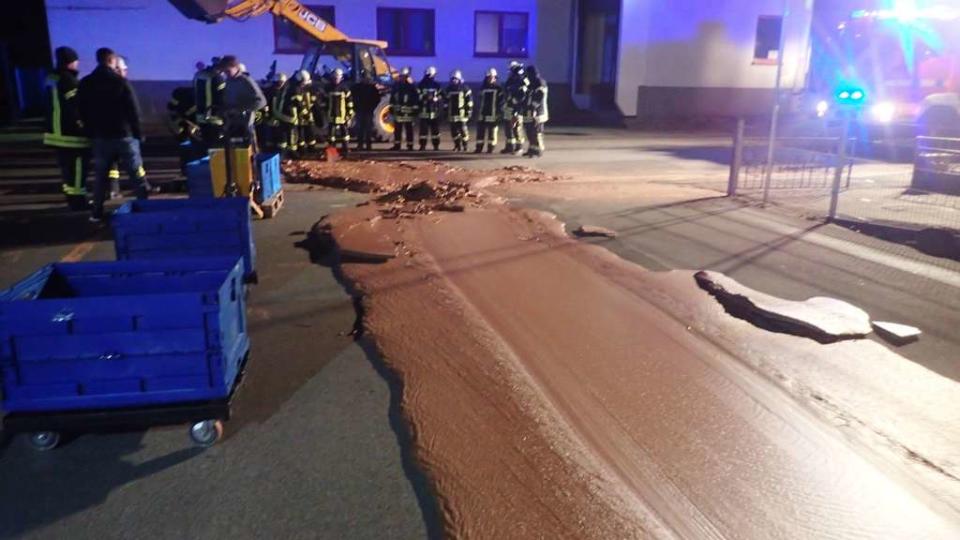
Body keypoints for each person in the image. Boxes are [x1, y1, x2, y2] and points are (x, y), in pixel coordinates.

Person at [78, 47, 151, 222]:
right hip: (124, 136)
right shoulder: (121, 83)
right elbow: (133, 111)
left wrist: (90, 132)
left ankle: (96, 212)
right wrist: (139, 134)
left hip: (100, 137)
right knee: (136, 173)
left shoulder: (86, 83)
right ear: (112, 61)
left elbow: (81, 110)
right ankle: (146, 208)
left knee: (101, 176)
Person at [43, 46, 90, 210]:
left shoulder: (51, 78)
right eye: (76, 61)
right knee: (78, 169)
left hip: (55, 134)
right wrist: (85, 126)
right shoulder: (69, 80)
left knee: (66, 170)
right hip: (72, 135)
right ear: (71, 62)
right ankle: (79, 202)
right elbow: (77, 107)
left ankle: (71, 199)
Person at [220, 55, 267, 147]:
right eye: (225, 72)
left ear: (236, 68)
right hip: (232, 122)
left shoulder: (246, 81)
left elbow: (261, 101)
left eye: (228, 71)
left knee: (248, 148)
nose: (226, 74)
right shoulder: (229, 81)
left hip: (245, 123)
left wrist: (241, 109)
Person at [272, 70, 309, 157]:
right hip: (289, 114)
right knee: (292, 132)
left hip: (282, 113)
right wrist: (306, 114)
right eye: (303, 82)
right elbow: (298, 103)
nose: (304, 84)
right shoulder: (295, 88)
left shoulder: (289, 85)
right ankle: (292, 152)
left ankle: (282, 152)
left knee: (283, 134)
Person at [193, 56, 227, 149]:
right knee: (215, 147)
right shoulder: (218, 78)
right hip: (214, 118)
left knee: (205, 144)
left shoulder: (199, 75)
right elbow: (222, 98)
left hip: (200, 115)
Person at [323, 68, 354, 154]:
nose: (336, 80)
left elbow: (349, 103)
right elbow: (325, 102)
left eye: (337, 78)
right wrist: (324, 113)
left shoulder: (345, 89)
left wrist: (349, 116)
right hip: (331, 116)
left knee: (345, 135)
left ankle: (346, 150)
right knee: (331, 136)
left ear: (341, 78)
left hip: (343, 116)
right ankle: (332, 152)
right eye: (335, 78)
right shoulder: (328, 88)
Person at [502, 61, 529, 156]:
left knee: (517, 127)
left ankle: (519, 147)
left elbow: (524, 94)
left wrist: (516, 102)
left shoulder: (523, 79)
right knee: (507, 126)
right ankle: (509, 146)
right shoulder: (511, 79)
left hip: (518, 108)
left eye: (511, 70)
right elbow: (506, 90)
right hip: (509, 106)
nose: (510, 72)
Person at [522, 65, 549, 158]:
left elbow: (539, 97)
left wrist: (534, 108)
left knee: (537, 131)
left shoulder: (540, 82)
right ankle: (532, 149)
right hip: (529, 110)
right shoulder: (532, 83)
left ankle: (539, 149)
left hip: (538, 112)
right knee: (529, 130)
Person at [475, 68, 504, 153]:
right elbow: (478, 99)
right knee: (480, 131)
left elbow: (501, 102)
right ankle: (479, 148)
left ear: (495, 78)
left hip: (493, 113)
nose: (490, 79)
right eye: (489, 77)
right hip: (483, 113)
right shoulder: (482, 88)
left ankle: (490, 148)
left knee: (492, 132)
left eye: (492, 77)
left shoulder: (499, 88)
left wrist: (499, 113)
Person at [389, 66, 418, 150]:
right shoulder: (396, 85)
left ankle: (410, 145)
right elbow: (392, 97)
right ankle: (397, 145)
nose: (402, 78)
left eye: (404, 76)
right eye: (402, 76)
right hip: (398, 112)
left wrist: (415, 109)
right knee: (397, 130)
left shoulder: (411, 86)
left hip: (408, 113)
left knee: (409, 129)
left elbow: (415, 98)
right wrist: (391, 107)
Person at [352, 71, 381, 151]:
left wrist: (372, 107)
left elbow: (377, 99)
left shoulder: (372, 88)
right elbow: (353, 98)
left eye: (366, 78)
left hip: (368, 110)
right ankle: (360, 145)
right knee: (360, 128)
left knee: (368, 128)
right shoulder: (356, 87)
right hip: (360, 110)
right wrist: (355, 107)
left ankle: (368, 145)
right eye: (364, 77)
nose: (365, 79)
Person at [444, 70, 473, 152]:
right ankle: (457, 145)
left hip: (462, 114)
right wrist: (445, 112)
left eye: (456, 79)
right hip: (452, 114)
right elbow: (446, 102)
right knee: (454, 131)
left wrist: (469, 111)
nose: (454, 81)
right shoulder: (448, 89)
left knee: (463, 130)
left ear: (459, 79)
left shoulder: (465, 88)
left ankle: (465, 145)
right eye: (453, 79)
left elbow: (469, 101)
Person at [417, 66, 443, 151]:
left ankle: (435, 146)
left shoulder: (436, 85)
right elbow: (417, 96)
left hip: (434, 111)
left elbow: (442, 95)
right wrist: (425, 97)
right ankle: (423, 145)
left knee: (434, 130)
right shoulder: (421, 85)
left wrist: (436, 98)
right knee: (424, 131)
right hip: (425, 110)